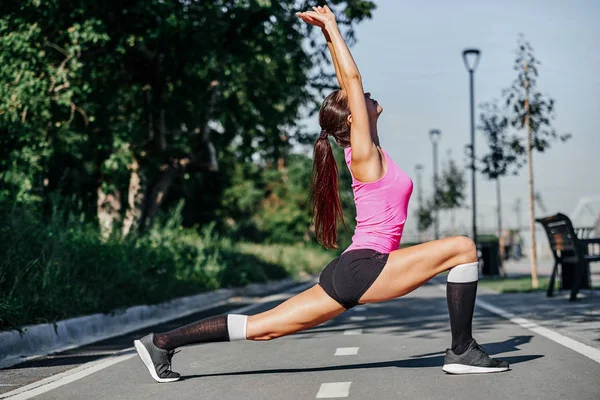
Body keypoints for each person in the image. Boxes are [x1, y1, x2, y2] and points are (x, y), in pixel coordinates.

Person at [133, 5, 509, 383]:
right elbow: (352, 78)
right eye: (359, 97)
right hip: (368, 265)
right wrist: (332, 24)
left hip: (354, 268)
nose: (366, 94)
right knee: (462, 247)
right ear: (352, 120)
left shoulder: (370, 148)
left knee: (263, 327)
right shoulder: (361, 154)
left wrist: (326, 37)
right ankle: (461, 350)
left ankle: (161, 342)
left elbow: (349, 83)